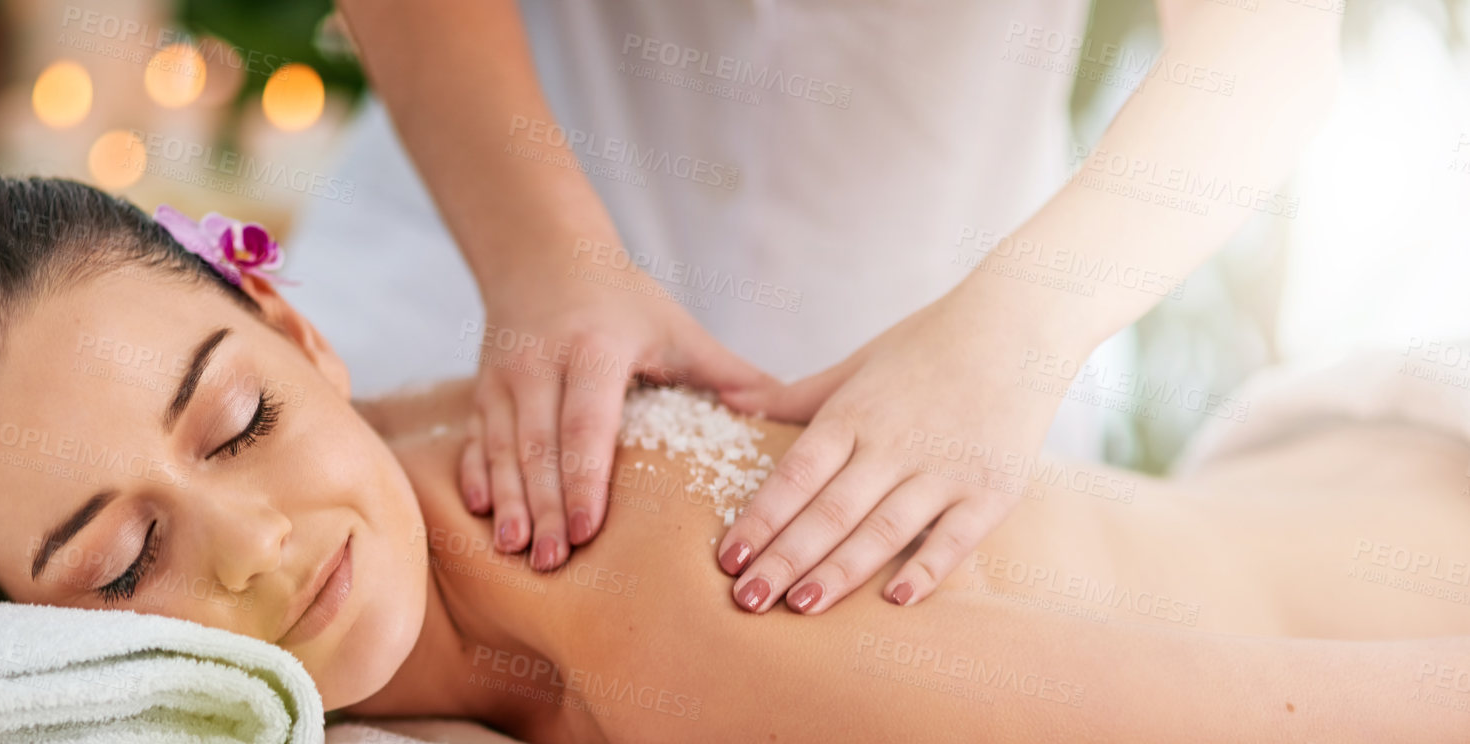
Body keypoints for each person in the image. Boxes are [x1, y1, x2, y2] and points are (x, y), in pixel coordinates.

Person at [0, 178, 1469, 744]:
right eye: (122, 560)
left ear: (305, 336)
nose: (254, 541)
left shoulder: (659, 600)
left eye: (242, 420)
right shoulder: (407, 483)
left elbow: (1352, 726)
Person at [305, 0, 1342, 618]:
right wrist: (536, 255)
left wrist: (1013, 336)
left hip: (970, 330)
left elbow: (1262, 54)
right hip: (470, 248)